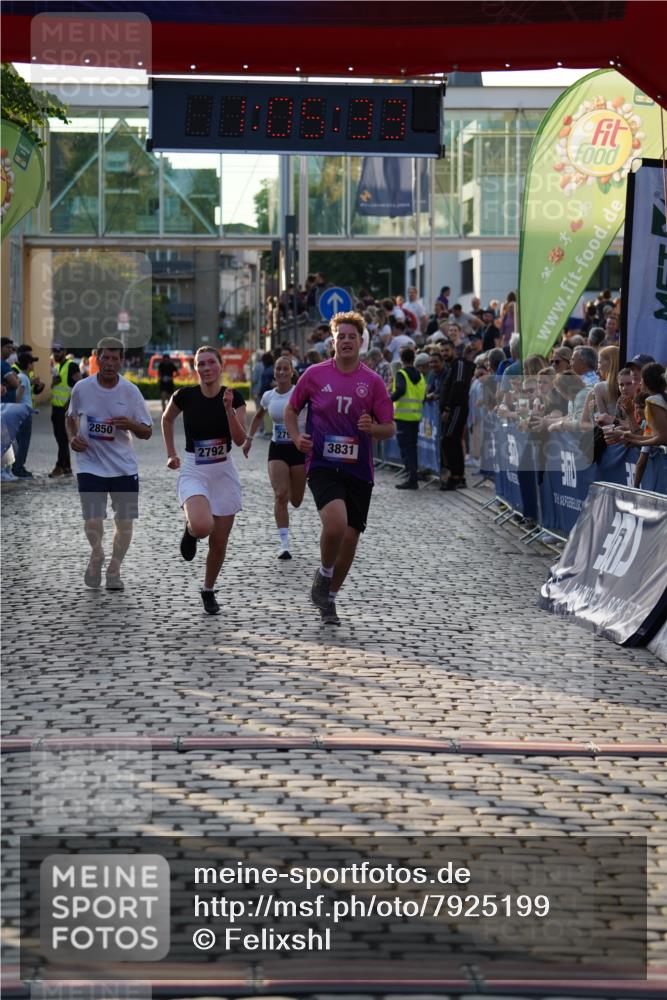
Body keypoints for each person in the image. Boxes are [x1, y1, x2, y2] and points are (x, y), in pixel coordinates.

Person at [283, 311, 395, 626]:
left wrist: (373, 428)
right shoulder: (315, 375)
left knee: (350, 538)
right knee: (335, 525)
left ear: (361, 342)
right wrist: (296, 437)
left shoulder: (372, 382)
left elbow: (389, 427)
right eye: (341, 336)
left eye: (352, 337)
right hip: (322, 464)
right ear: (333, 341)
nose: (346, 341)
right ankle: (324, 573)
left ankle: (328, 598)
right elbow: (292, 409)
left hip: (359, 470)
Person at [162, 346, 247, 615]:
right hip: (194, 468)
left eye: (211, 362)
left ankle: (208, 589)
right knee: (202, 526)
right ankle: (190, 530)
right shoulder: (184, 396)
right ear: (195, 368)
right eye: (201, 363)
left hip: (223, 471)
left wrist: (229, 411)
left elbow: (240, 440)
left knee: (219, 542)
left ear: (221, 366)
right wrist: (171, 454)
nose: (206, 367)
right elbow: (166, 420)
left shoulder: (234, 397)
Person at [66, 338, 152, 591]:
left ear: (122, 361)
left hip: (123, 468)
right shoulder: (82, 388)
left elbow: (146, 431)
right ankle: (96, 554)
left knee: (124, 524)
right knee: (93, 519)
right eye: (106, 358)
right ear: (97, 358)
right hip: (90, 465)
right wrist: (73, 438)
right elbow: (70, 417)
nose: (110, 364)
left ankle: (114, 568)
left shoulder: (130, 392)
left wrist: (131, 425)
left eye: (116, 359)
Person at [243, 355, 306, 560]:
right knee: (280, 494)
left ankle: (286, 535)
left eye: (285, 369)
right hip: (277, 448)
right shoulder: (269, 396)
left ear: (292, 372)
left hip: (298, 449)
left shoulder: (300, 392)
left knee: (296, 500)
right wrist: (249, 438)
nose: (280, 372)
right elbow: (259, 416)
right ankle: (284, 543)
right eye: (278, 368)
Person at [391, 346, 427, 490]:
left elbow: (400, 389)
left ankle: (411, 479)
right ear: (413, 359)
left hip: (403, 417)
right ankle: (413, 476)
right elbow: (422, 395)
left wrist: (388, 400)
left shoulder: (401, 374)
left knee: (406, 449)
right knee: (412, 449)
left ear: (401, 359)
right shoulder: (421, 376)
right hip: (416, 416)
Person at [439, 350, 475, 490]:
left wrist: (448, 408)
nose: (445, 352)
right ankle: (457, 476)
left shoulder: (459, 363)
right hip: (454, 409)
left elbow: (458, 386)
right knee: (451, 441)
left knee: (450, 440)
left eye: (447, 349)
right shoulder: (452, 366)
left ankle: (456, 476)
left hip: (457, 409)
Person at [11, 348, 44, 478]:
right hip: (23, 416)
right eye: (32, 363)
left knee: (20, 442)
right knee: (23, 443)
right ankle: (18, 468)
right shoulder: (23, 378)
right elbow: (18, 397)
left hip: (23, 414)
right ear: (28, 364)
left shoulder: (22, 377)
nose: (33, 365)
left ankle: (17, 466)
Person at [50, 341, 81, 478]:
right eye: (54, 351)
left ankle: (59, 467)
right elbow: (56, 387)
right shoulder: (57, 366)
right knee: (60, 439)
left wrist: (70, 404)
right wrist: (52, 383)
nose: (56, 353)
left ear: (65, 351)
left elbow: (79, 386)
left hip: (65, 410)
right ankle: (67, 467)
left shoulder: (72, 366)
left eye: (59, 351)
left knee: (63, 439)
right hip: (55, 409)